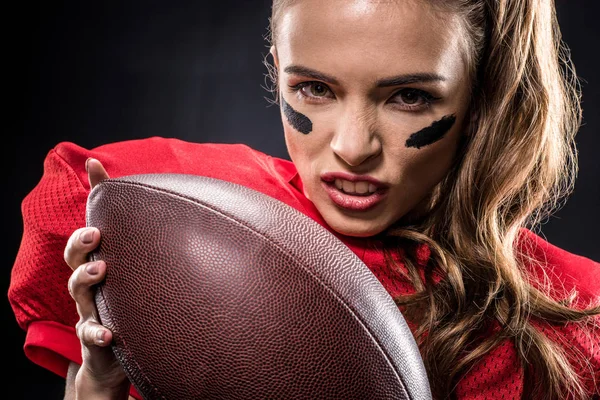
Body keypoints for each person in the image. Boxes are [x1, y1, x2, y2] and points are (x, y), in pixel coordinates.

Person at [9, 0, 600, 399]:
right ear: (278, 70)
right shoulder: (163, 216)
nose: (352, 148)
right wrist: (100, 388)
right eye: (314, 89)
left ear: (483, 95)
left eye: (410, 98)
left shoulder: (577, 322)